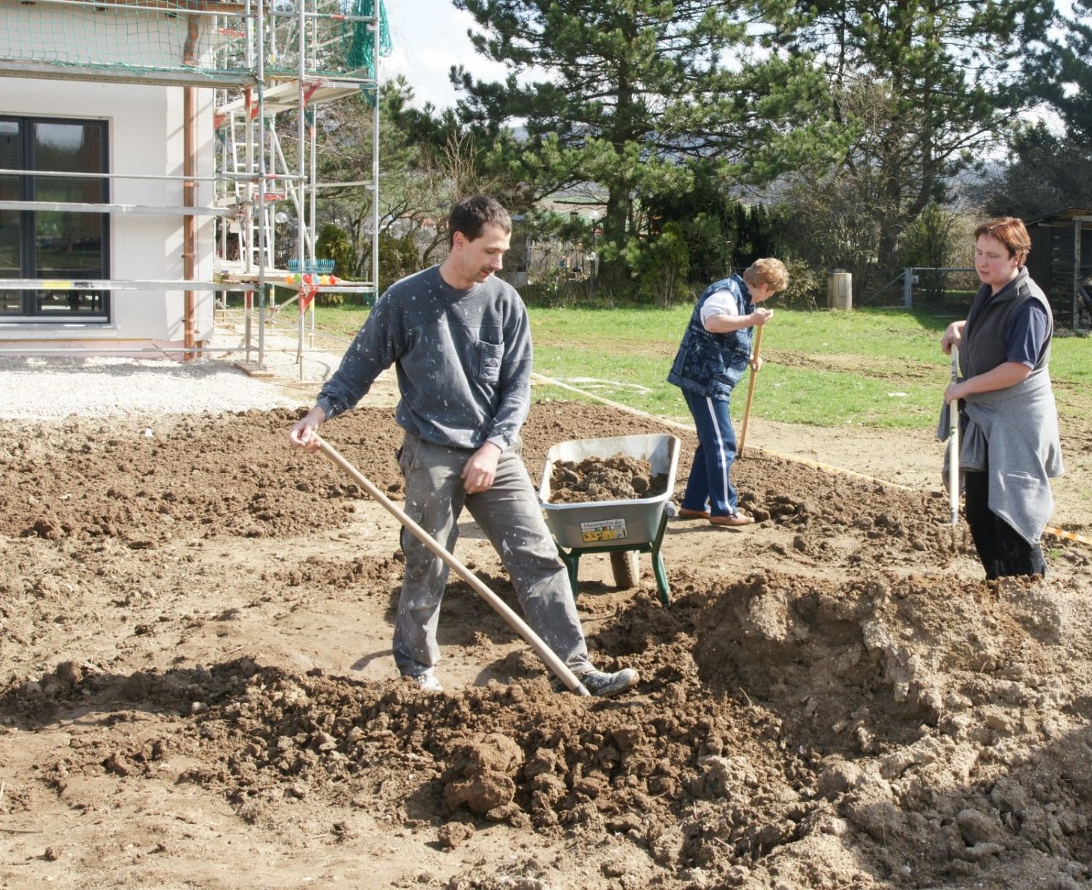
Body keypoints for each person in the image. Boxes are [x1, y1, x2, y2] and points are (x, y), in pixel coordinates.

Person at [288, 195, 638, 697]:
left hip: (496, 451)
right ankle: (416, 671)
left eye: (503, 253)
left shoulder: (504, 303)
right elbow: (359, 365)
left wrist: (493, 449)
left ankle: (575, 668)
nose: (498, 263)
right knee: (427, 559)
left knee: (538, 555)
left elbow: (517, 390)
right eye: (490, 252)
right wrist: (319, 413)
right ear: (458, 241)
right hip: (431, 449)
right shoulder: (406, 300)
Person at [938, 217, 1064, 580]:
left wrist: (964, 388)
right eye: (979, 253)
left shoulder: (1029, 305)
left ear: (1017, 258)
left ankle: (1032, 593)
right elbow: (993, 329)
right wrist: (960, 328)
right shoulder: (990, 290)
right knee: (980, 512)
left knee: (1013, 515)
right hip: (986, 418)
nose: (982, 262)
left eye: (992, 256)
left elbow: (1018, 367)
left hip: (1016, 422)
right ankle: (999, 587)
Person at [667, 258, 790, 527]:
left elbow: (728, 334)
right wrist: (752, 319)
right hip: (705, 378)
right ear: (764, 286)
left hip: (709, 377)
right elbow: (712, 322)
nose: (769, 297)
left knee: (711, 442)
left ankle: (694, 504)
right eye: (771, 292)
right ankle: (723, 509)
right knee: (723, 442)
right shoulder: (726, 292)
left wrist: (748, 356)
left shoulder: (742, 297)